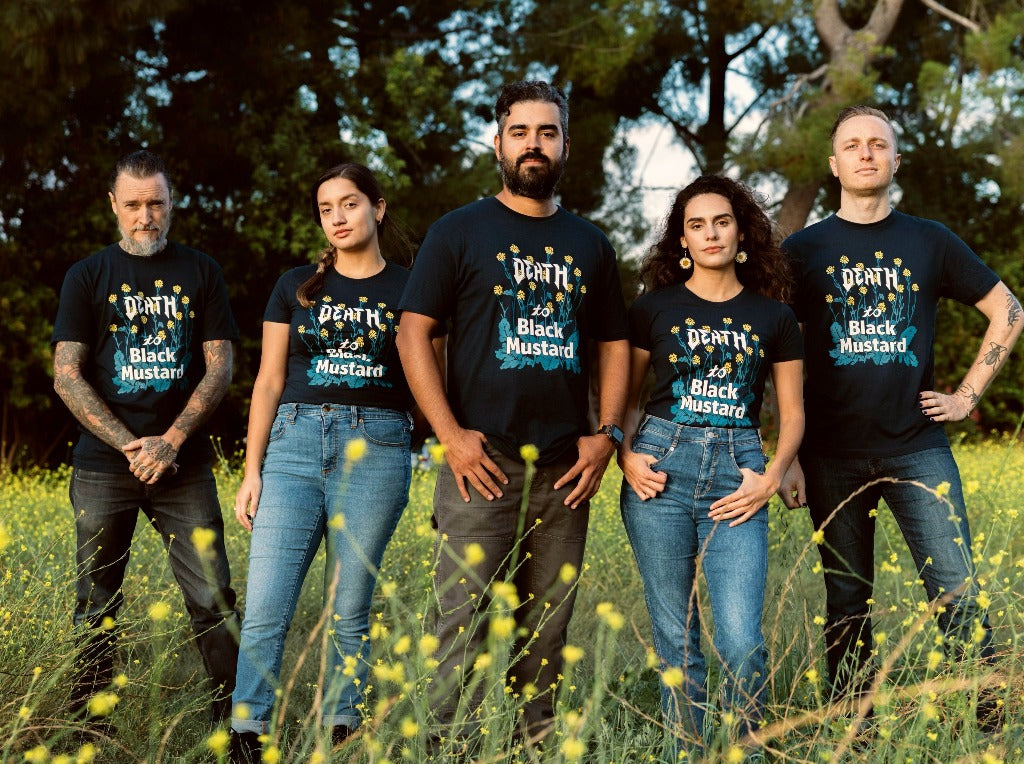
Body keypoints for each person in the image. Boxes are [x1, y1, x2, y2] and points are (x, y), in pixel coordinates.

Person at [396, 80, 630, 744]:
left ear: (565, 145)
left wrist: (607, 436)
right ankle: (448, 753)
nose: (534, 144)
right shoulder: (459, 231)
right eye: (521, 132)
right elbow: (413, 332)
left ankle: (534, 750)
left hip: (565, 472)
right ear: (498, 143)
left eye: (548, 132)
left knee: (548, 638)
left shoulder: (590, 244)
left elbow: (614, 343)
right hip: (482, 466)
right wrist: (449, 436)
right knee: (457, 630)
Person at [779, 106, 1022, 722]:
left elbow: (1010, 311)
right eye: (853, 146)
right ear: (834, 164)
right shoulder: (802, 250)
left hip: (918, 444)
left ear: (894, 160)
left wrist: (967, 397)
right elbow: (770, 351)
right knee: (846, 598)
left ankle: (990, 723)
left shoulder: (929, 240)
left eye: (878, 144)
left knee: (958, 590)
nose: (866, 154)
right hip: (829, 452)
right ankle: (851, 730)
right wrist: (785, 456)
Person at [228, 163, 426, 761]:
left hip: (379, 447)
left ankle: (345, 729)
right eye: (326, 209)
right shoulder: (294, 285)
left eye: (349, 204)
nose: (338, 218)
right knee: (265, 605)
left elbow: (431, 379)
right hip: (291, 445)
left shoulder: (412, 288)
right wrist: (251, 468)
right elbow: (266, 383)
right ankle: (247, 734)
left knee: (349, 608)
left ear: (378, 209)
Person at [52, 150, 240, 726]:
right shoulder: (88, 276)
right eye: (132, 204)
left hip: (182, 467)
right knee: (95, 600)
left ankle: (235, 721)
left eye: (155, 203)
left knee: (212, 596)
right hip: (104, 467)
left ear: (171, 203)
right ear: (114, 206)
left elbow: (221, 367)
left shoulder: (201, 271)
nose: (145, 216)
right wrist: (130, 445)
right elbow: (66, 374)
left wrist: (171, 440)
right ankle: (91, 719)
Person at [619, 176, 804, 753]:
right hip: (661, 470)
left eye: (721, 221)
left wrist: (771, 477)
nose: (710, 233)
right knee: (675, 638)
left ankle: (747, 747)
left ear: (741, 230)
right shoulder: (651, 308)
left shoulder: (774, 316)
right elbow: (622, 398)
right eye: (696, 225)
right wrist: (625, 455)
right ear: (682, 239)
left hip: (740, 468)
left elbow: (793, 413)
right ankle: (688, 749)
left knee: (743, 642)